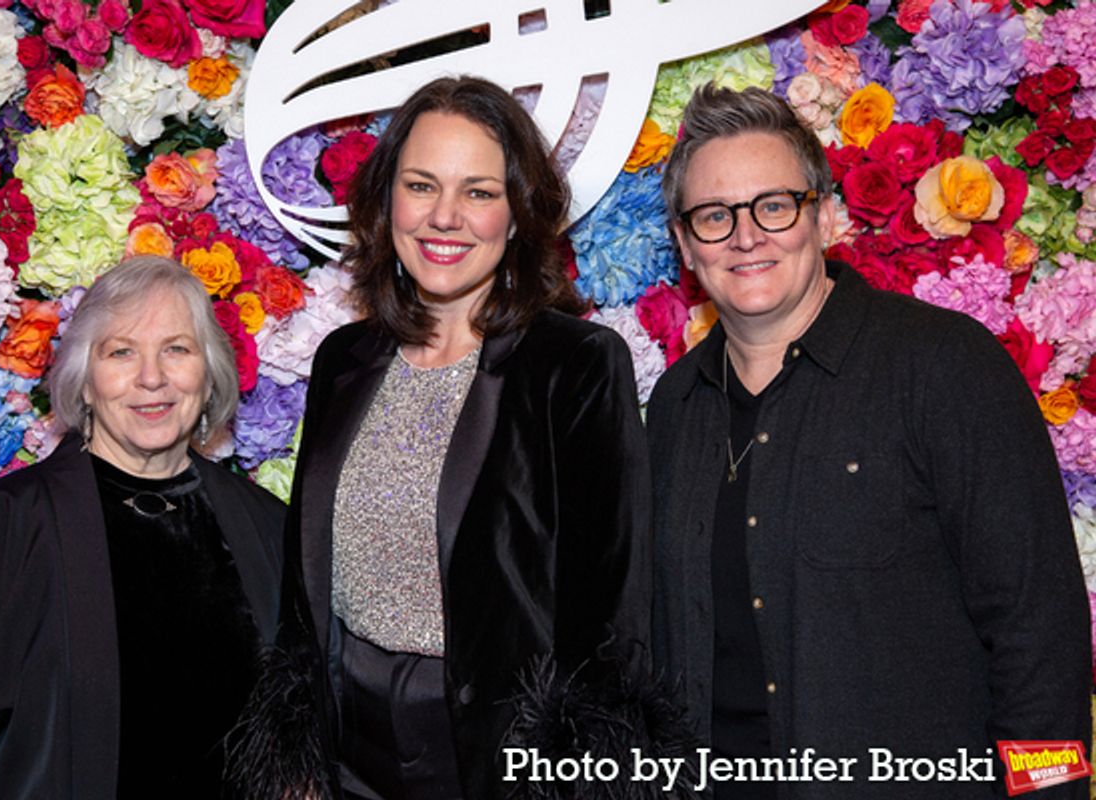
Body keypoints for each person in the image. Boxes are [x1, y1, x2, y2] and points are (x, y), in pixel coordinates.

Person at [648, 84, 1091, 799]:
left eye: (773, 205)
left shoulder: (944, 367)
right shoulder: (674, 407)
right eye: (714, 215)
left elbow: (1038, 633)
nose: (746, 236)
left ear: (824, 216)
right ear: (685, 245)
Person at [252, 76, 653, 799]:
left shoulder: (575, 366)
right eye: (421, 185)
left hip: (495, 757)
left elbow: (609, 613)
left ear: (518, 212)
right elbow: (304, 579)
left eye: (478, 192)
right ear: (387, 201)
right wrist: (298, 755)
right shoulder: (343, 359)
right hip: (345, 743)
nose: (444, 217)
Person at [0, 256, 325, 799]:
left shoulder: (267, 528)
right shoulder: (9, 527)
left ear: (208, 374)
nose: (152, 377)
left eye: (177, 349)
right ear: (85, 381)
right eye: (121, 352)